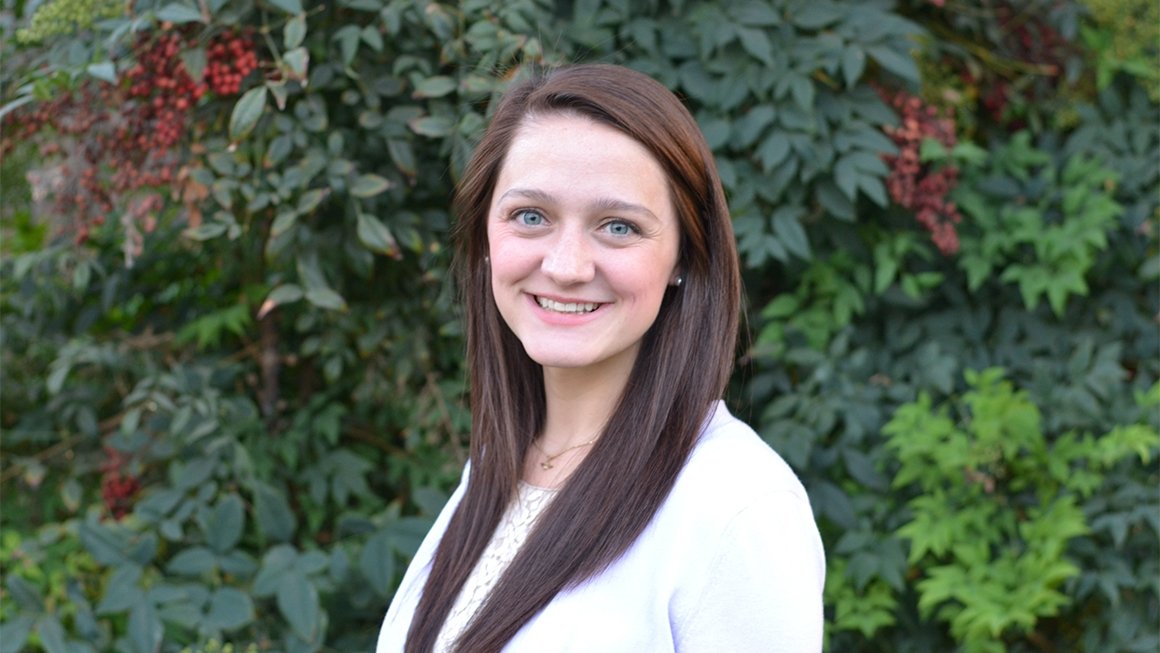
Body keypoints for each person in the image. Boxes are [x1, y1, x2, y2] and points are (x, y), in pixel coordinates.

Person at [376, 63, 824, 653]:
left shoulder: (734, 507)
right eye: (530, 216)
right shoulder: (497, 470)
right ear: (485, 237)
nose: (565, 266)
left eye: (618, 227)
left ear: (685, 258)